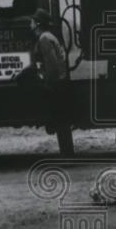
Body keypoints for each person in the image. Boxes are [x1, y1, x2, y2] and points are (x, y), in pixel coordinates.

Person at [31, 8, 74, 156]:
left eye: (32, 21)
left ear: (37, 24)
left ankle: (68, 155)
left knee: (61, 122)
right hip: (60, 83)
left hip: (57, 84)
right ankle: (68, 153)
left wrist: (48, 84)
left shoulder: (44, 39)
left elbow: (52, 65)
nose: (30, 24)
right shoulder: (48, 36)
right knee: (62, 122)